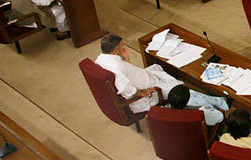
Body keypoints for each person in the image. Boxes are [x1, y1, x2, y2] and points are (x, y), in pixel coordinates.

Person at [96, 34, 225, 117]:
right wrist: (143, 92)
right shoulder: (117, 66)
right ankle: (218, 103)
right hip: (149, 91)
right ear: (115, 52)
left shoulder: (101, 59)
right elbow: (125, 88)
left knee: (157, 67)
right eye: (122, 47)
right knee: (181, 90)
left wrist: (126, 60)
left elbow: (125, 75)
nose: (124, 48)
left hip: (146, 77)